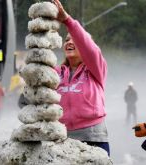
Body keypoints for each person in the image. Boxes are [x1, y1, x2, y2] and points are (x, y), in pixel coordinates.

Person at [52, 0, 110, 156]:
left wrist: (68, 21)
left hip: (93, 137)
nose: (69, 42)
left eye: (74, 39)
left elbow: (90, 49)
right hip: (61, 139)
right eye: (66, 40)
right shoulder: (55, 73)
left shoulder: (95, 70)